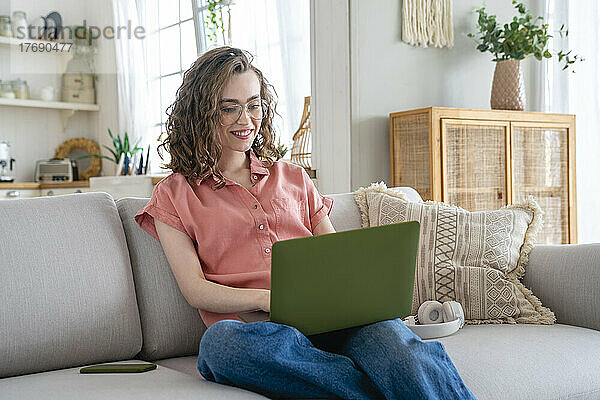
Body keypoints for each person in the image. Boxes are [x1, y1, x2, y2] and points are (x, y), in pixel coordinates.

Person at [134, 46, 476, 400]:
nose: (245, 120)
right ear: (200, 113)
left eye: (253, 105)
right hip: (259, 334)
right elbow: (196, 290)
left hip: (335, 321)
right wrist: (270, 300)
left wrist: (361, 291)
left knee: (401, 351)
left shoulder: (293, 177)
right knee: (219, 345)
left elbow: (336, 257)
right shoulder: (174, 194)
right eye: (229, 108)